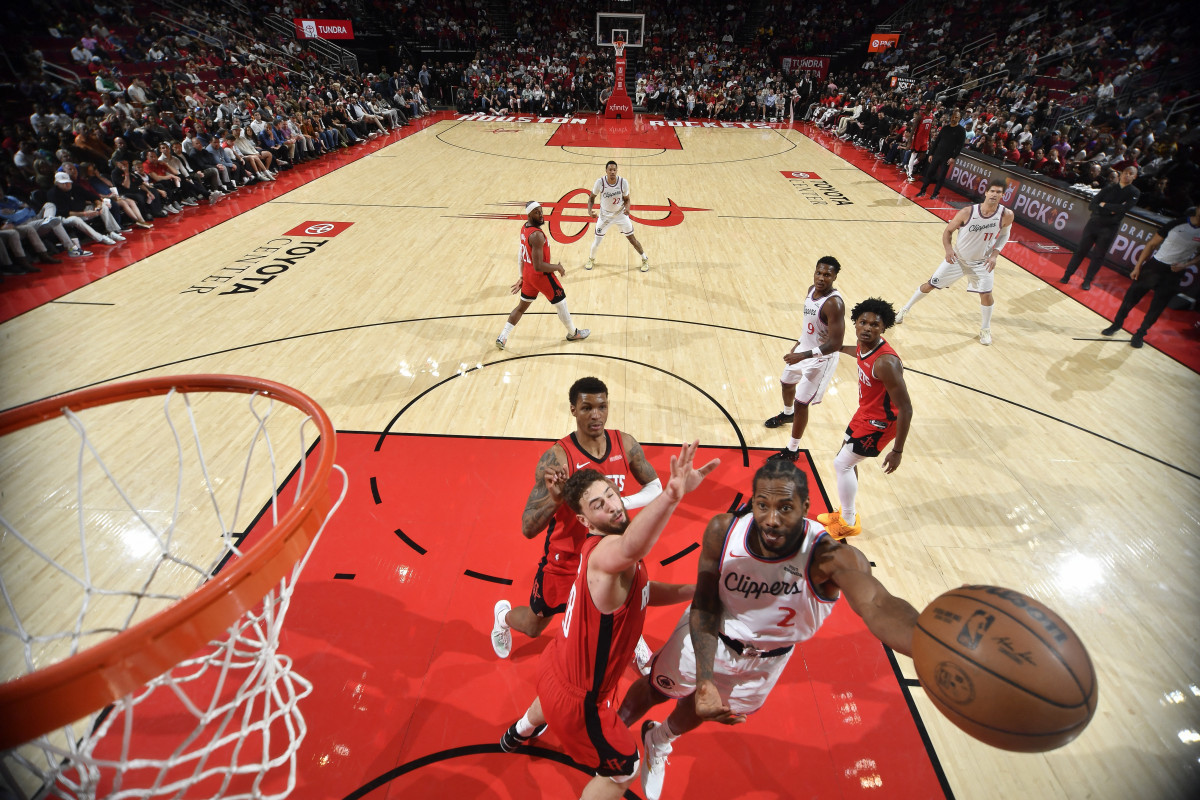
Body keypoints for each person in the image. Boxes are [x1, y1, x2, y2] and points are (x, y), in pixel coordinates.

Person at [618, 458, 920, 800]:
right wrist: (704, 679)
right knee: (658, 689)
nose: (772, 520)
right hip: (710, 635)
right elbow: (705, 604)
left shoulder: (829, 558)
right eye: (763, 505)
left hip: (765, 663)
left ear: (806, 507)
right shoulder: (723, 531)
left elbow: (878, 604)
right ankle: (608, 738)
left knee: (704, 709)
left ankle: (658, 740)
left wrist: (927, 644)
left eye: (785, 508)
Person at [498, 442, 718, 800]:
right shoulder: (608, 554)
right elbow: (634, 546)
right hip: (580, 700)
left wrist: (694, 590)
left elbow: (644, 588)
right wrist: (672, 495)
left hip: (555, 665)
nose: (614, 506)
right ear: (584, 521)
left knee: (549, 698)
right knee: (625, 769)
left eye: (612, 494)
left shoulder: (605, 553)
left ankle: (519, 730)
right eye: (598, 505)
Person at [491, 376, 662, 662]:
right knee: (534, 627)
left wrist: (622, 503)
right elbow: (527, 528)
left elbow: (655, 486)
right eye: (586, 408)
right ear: (573, 410)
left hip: (612, 551)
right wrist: (556, 501)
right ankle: (503, 617)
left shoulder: (625, 444)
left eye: (602, 406)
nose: (596, 415)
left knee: (624, 605)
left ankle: (633, 642)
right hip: (567, 559)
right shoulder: (558, 458)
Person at [817, 298, 912, 539]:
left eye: (875, 325)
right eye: (863, 323)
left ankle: (848, 521)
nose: (868, 328)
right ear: (855, 323)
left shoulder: (885, 363)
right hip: (866, 413)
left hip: (881, 423)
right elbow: (856, 352)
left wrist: (898, 450)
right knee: (845, 458)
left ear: (883, 328)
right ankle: (845, 513)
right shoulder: (864, 345)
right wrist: (836, 347)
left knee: (842, 463)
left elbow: (906, 408)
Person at [895, 176, 1014, 346]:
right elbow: (948, 231)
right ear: (986, 192)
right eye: (992, 191)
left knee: (986, 294)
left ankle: (985, 329)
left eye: (999, 192)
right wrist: (948, 250)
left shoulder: (1006, 215)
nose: (994, 194)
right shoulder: (968, 212)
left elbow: (1005, 235)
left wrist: (995, 254)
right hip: (958, 259)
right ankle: (904, 309)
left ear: (1003, 195)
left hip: (981, 262)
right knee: (930, 284)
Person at [764, 256, 847, 461]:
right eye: (819, 272)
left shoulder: (834, 304)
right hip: (804, 349)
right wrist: (799, 343)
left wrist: (802, 354)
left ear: (835, 277)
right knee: (786, 383)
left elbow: (835, 344)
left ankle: (792, 450)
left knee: (802, 403)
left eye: (827, 275)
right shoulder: (811, 290)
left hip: (822, 358)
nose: (821, 278)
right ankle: (787, 413)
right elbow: (809, 325)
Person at [1101, 205, 1200, 348]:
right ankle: (1116, 324)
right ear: (1197, 209)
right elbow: (1152, 244)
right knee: (1131, 298)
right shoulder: (1176, 224)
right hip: (1156, 266)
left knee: (1157, 307)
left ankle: (1140, 334)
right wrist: (1137, 266)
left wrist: (1186, 265)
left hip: (1175, 273)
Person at [496, 201, 590, 349]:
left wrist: (522, 276)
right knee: (561, 303)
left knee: (521, 307)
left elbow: (521, 254)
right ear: (529, 214)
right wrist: (557, 267)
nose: (541, 215)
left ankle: (502, 337)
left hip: (528, 275)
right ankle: (573, 333)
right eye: (536, 212)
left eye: (541, 211)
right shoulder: (537, 236)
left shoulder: (524, 228)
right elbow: (539, 266)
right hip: (541, 276)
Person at [1060, 165, 1141, 290]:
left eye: (1131, 173)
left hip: (1109, 228)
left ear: (1134, 176)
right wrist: (1111, 209)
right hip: (1094, 224)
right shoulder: (1109, 188)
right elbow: (1092, 205)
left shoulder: (1134, 192)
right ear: (1121, 173)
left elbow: (1124, 208)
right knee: (1080, 250)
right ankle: (1067, 275)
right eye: (1126, 172)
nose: (1127, 175)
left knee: (1098, 256)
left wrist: (1105, 205)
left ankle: (1087, 281)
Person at [585, 161, 650, 273]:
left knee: (632, 239)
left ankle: (645, 259)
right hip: (605, 216)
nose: (612, 172)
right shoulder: (600, 182)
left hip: (620, 215)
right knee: (597, 241)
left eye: (614, 170)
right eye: (610, 170)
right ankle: (591, 259)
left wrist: (628, 208)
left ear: (617, 171)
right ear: (606, 171)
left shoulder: (622, 182)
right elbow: (591, 198)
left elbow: (627, 199)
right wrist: (589, 211)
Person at [915, 109, 966, 199]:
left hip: (947, 157)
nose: (954, 118)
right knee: (929, 173)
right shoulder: (945, 128)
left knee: (941, 176)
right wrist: (931, 154)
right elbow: (937, 141)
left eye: (956, 117)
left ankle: (935, 193)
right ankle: (922, 191)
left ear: (959, 119)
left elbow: (960, 146)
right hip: (937, 154)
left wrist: (953, 157)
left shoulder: (961, 130)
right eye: (953, 117)